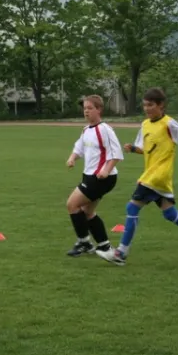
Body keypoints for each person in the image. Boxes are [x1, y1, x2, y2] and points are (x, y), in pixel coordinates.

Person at [96, 87, 178, 266]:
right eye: (145, 105)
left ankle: (121, 253)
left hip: (157, 175)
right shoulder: (145, 124)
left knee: (132, 208)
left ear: (161, 105)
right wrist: (133, 148)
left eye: (151, 105)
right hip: (154, 175)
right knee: (170, 214)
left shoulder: (169, 123)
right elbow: (144, 148)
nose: (147, 108)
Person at [65, 95, 124, 259]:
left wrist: (106, 170)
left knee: (72, 204)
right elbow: (79, 148)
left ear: (99, 110)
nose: (86, 111)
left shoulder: (105, 129)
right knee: (88, 211)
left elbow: (116, 153)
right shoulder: (86, 130)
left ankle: (84, 242)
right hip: (89, 176)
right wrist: (72, 158)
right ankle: (104, 246)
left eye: (90, 108)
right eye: (84, 108)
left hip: (101, 178)